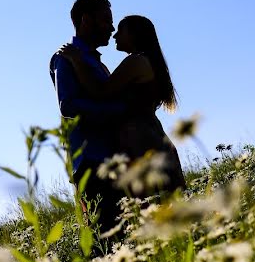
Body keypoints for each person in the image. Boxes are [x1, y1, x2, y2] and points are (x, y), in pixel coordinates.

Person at [57, 14, 186, 199]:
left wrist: (77, 61)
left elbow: (101, 91)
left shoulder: (136, 61)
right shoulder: (147, 61)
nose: (115, 35)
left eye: (120, 31)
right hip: (148, 133)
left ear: (134, 35)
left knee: (149, 196)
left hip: (139, 138)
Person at [50, 0, 126, 238]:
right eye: (106, 20)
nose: (112, 28)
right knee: (106, 238)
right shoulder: (65, 57)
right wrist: (118, 112)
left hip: (111, 159)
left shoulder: (94, 61)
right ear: (85, 20)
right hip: (92, 162)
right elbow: (69, 105)